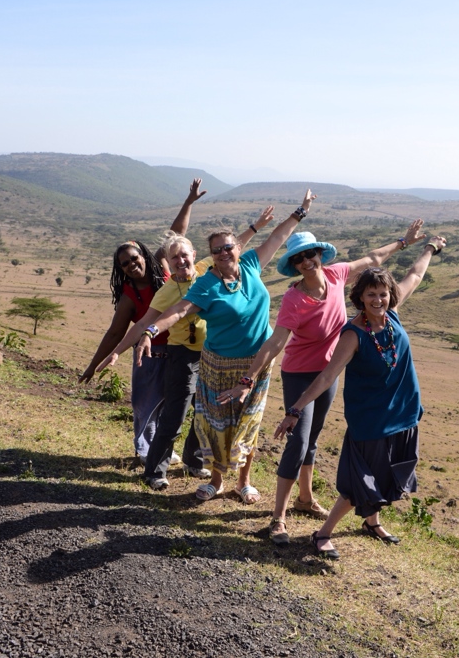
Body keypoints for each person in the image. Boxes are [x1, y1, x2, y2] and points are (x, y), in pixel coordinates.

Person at [217, 220, 427, 545]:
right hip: (301, 374)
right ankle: (278, 519)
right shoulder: (294, 300)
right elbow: (275, 343)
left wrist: (403, 241)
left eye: (311, 254)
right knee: (298, 442)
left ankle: (305, 498)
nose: (307, 261)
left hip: (329, 373)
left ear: (320, 255)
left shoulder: (336, 274)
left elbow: (372, 260)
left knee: (312, 439)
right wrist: (249, 378)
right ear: (295, 265)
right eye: (300, 259)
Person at [130, 191, 318, 504]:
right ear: (212, 255)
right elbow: (179, 310)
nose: (223, 253)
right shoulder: (207, 283)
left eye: (227, 247)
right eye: (216, 251)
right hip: (219, 364)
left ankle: (244, 481)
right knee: (218, 423)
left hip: (257, 362)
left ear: (237, 247)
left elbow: (278, 235)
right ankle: (216, 480)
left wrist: (301, 211)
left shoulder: (252, 264)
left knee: (250, 421)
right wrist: (151, 330)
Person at [273, 234, 447, 560]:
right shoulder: (354, 334)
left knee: (386, 471)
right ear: (360, 298)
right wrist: (295, 408)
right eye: (371, 295)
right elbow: (326, 375)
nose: (379, 300)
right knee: (360, 484)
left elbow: (415, 275)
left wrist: (429, 248)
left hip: (403, 411)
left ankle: (372, 523)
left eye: (383, 294)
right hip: (370, 417)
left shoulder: (392, 315)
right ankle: (323, 533)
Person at [95, 209, 275, 490]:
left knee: (203, 413)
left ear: (193, 255)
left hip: (212, 355)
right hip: (183, 356)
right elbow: (145, 321)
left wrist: (256, 226)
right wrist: (119, 350)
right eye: (174, 257)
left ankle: (193, 461)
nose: (180, 261)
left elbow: (230, 248)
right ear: (169, 261)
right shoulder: (166, 291)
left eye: (184, 255)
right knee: (176, 415)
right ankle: (155, 471)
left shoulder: (205, 270)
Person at [79, 179, 205, 466]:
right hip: (148, 355)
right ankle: (147, 454)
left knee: (180, 407)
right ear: (120, 269)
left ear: (143, 256)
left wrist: (189, 201)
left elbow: (177, 234)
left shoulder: (165, 269)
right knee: (144, 407)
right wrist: (94, 363)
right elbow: (116, 332)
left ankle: (176, 453)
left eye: (134, 258)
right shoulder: (129, 295)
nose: (131, 265)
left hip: (179, 350)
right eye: (124, 264)